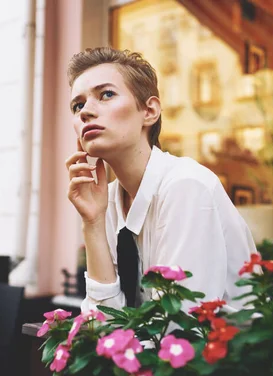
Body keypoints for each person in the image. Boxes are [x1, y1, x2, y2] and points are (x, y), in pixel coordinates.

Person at [65, 47, 256, 314]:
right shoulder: (106, 201)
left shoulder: (186, 187)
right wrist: (92, 222)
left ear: (149, 111)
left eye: (106, 94)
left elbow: (180, 329)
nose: (86, 112)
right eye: (78, 105)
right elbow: (103, 329)